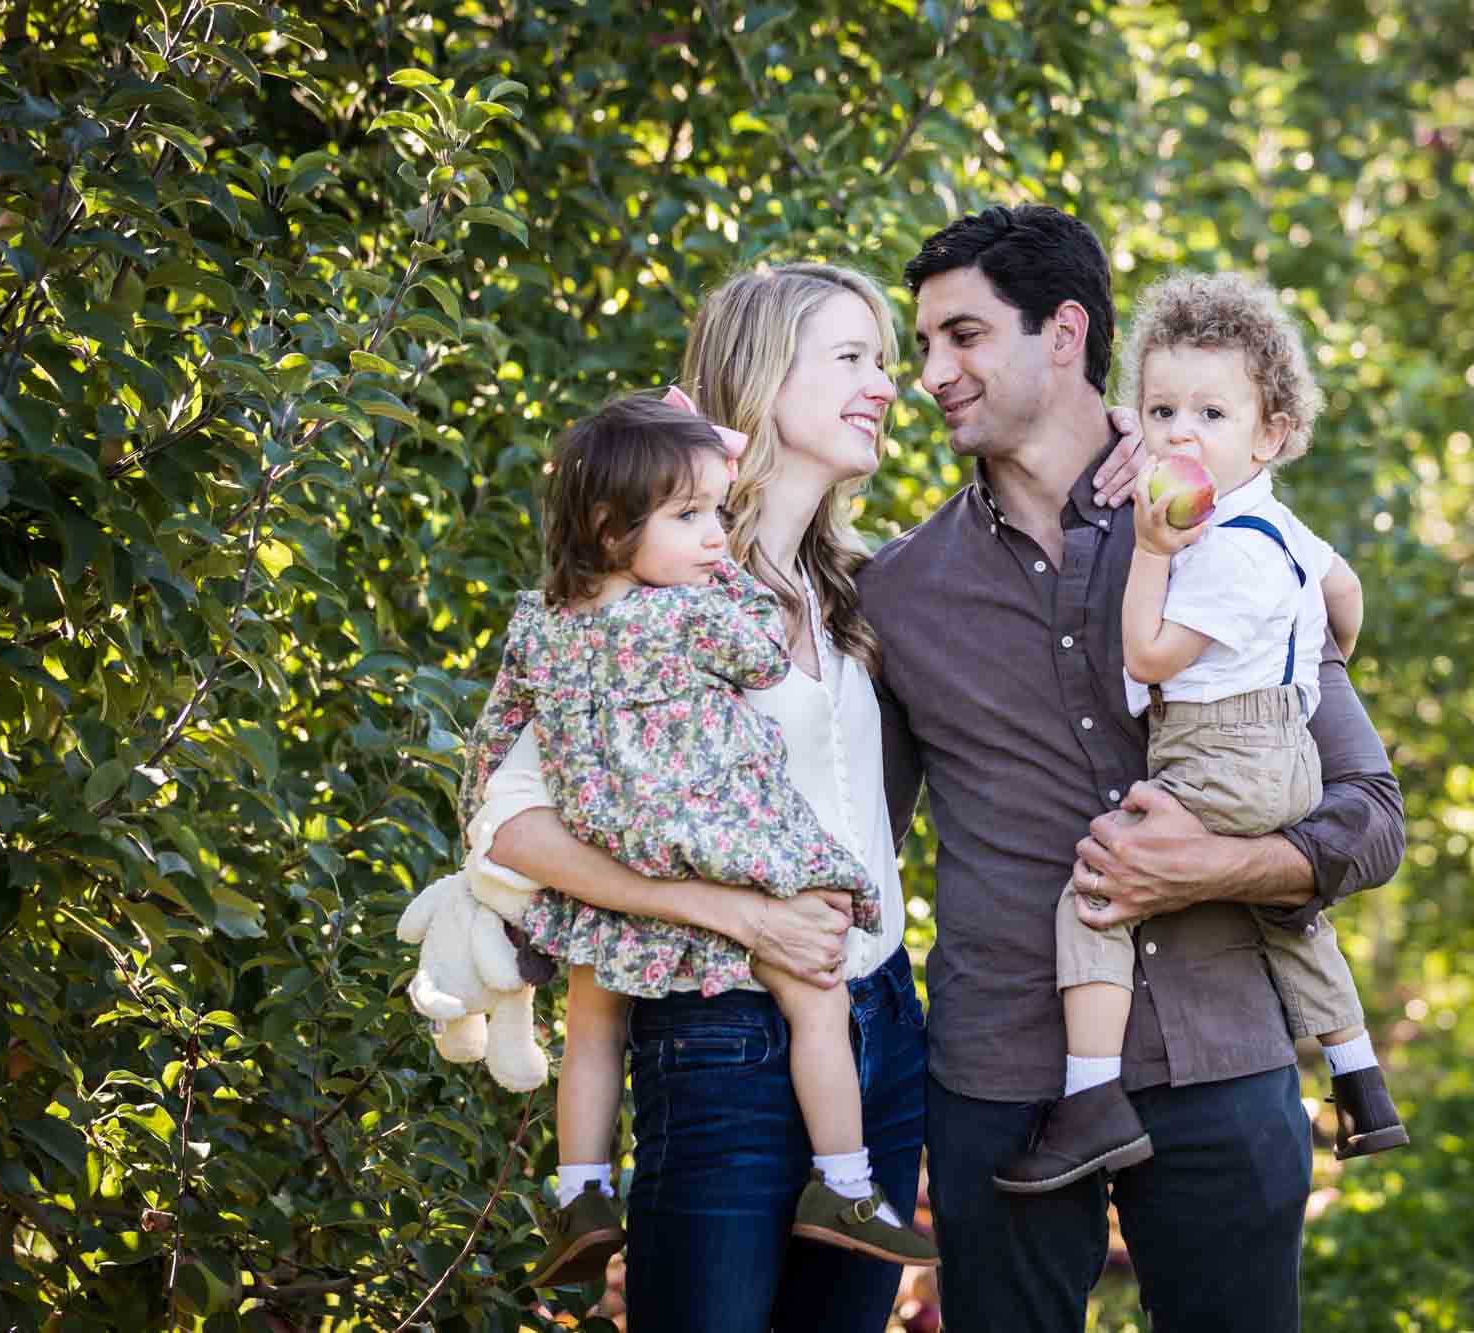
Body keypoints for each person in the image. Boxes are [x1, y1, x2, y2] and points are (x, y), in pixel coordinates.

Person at [460, 262, 1148, 1330]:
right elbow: (505, 826)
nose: (888, 383)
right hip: (719, 1034)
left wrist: (1150, 448)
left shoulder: (857, 590)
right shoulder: (653, 592)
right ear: (762, 377)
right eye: (852, 358)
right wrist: (735, 913)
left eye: (884, 358)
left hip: (879, 1027)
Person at [865, 205, 1405, 1330]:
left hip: (1222, 1051)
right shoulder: (899, 593)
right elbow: (854, 848)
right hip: (1001, 1075)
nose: (931, 373)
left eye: (960, 336)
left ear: (1062, 333)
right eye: (922, 346)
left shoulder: (1234, 535)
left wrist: (1213, 864)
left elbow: (1368, 813)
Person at [453, 388, 939, 1287]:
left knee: (591, 1022)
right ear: (611, 529)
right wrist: (734, 583)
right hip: (723, 861)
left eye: (715, 511)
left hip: (616, 855)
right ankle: (846, 1182)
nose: (712, 533)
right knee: (815, 997)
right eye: (691, 515)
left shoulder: (543, 623)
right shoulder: (688, 609)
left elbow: (493, 742)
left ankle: (580, 1190)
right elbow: (759, 654)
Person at [994, 271, 1407, 1199]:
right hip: (1283, 747)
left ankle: (1090, 1097)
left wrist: (1149, 551)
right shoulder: (1285, 528)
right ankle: (1360, 1078)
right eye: (1161, 408)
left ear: (1271, 434)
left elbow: (1146, 656)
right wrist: (1304, 663)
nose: (1180, 432)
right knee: (1291, 914)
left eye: (1211, 414)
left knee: (1096, 888)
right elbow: (1344, 596)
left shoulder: (1216, 548)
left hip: (1220, 748)